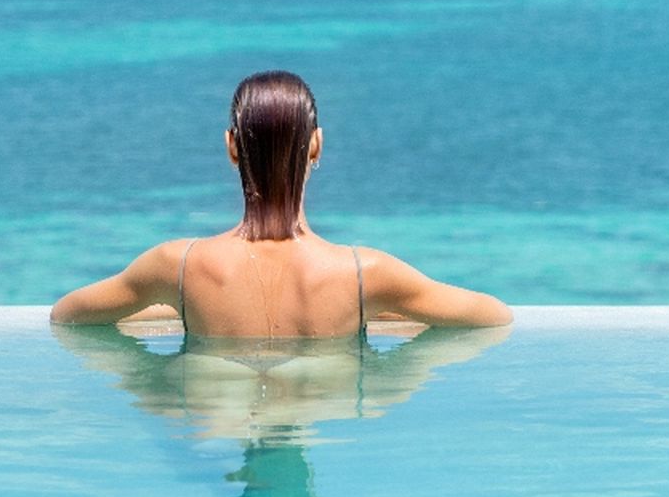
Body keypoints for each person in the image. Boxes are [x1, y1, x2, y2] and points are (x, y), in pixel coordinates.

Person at [50, 69, 513, 335]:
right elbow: (493, 316)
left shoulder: (178, 268)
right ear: (317, 146)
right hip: (321, 411)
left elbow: (67, 315)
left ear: (231, 147)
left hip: (218, 419)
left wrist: (177, 306)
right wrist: (382, 307)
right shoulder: (365, 276)